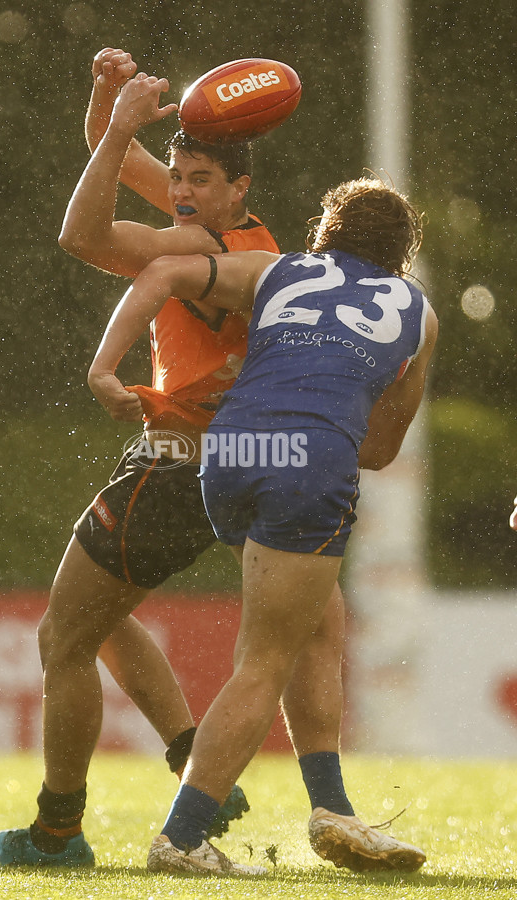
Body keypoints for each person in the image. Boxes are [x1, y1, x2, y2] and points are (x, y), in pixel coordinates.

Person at [0, 51, 421, 873]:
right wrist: (107, 102)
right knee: (306, 629)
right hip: (258, 458)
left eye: (197, 177)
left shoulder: (194, 246)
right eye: (176, 174)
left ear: (236, 189)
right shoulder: (262, 246)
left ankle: (57, 831)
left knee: (64, 638)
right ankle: (288, 785)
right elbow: (115, 157)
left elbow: (82, 232)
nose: (179, 189)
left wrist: (117, 127)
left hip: (176, 463)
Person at [87, 174, 438, 876]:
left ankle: (333, 807)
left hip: (228, 454)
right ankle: (180, 841)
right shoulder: (419, 313)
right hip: (306, 465)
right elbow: (380, 449)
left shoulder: (277, 270)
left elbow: (160, 273)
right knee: (263, 661)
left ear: (325, 234)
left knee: (322, 623)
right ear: (401, 253)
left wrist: (104, 369)